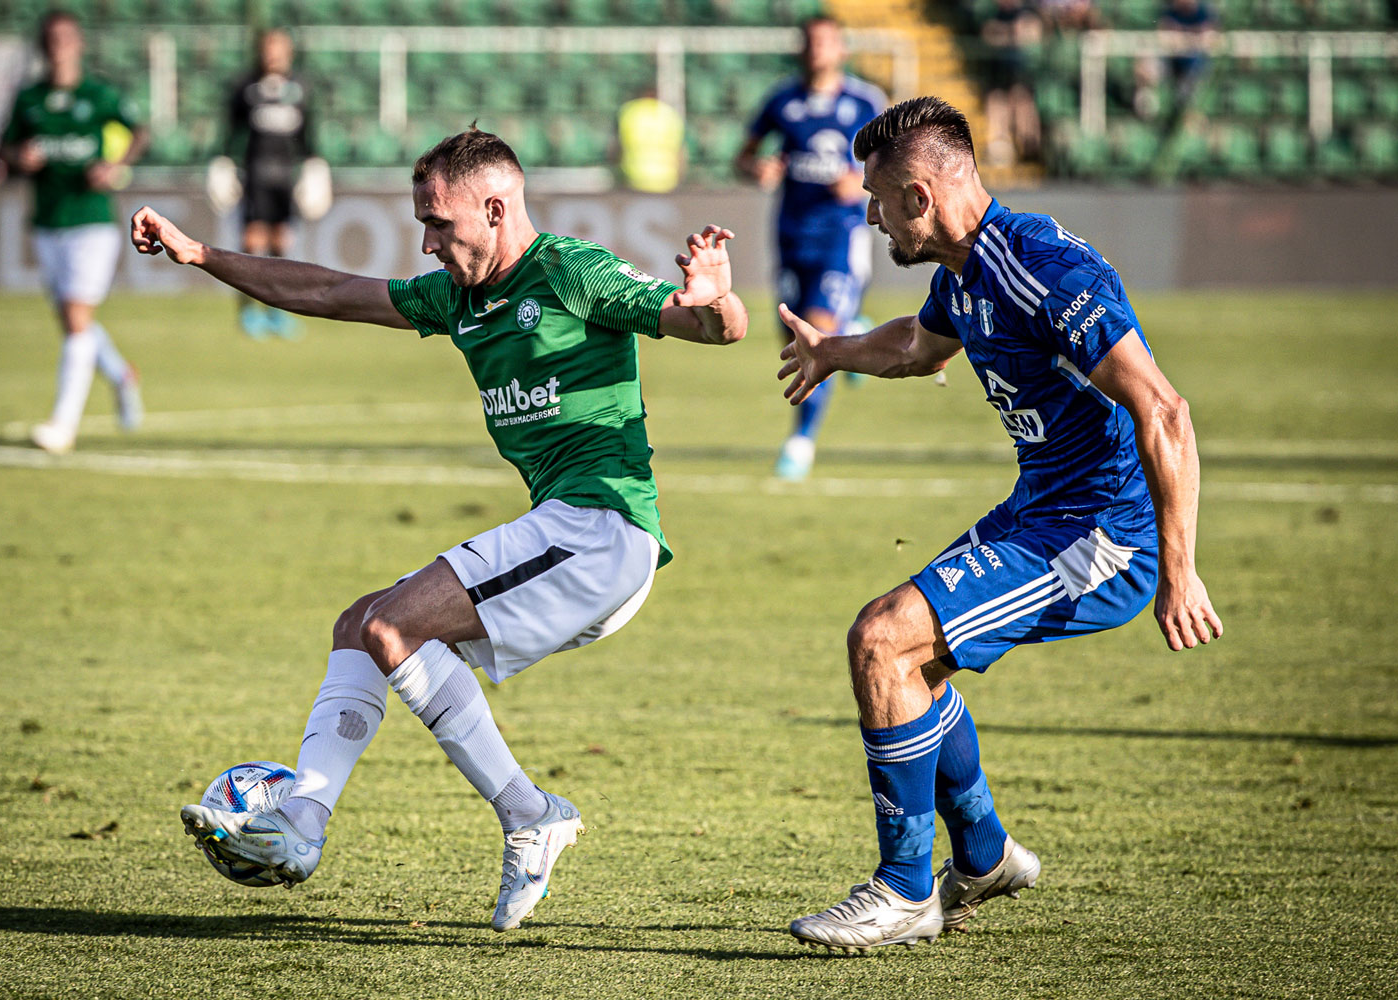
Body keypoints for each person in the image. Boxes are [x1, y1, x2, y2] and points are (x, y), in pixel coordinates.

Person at [131, 128, 748, 931]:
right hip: (565, 535)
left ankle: (527, 813)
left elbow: (711, 327)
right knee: (360, 623)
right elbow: (325, 291)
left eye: (438, 223)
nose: (426, 242)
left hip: (602, 528)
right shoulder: (456, 297)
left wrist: (716, 296)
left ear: (494, 209)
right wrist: (201, 254)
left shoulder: (569, 270)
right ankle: (304, 822)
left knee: (393, 623)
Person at [777, 97, 1221, 953]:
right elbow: (918, 346)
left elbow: (1164, 410)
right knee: (913, 654)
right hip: (1040, 510)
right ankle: (981, 857)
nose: (868, 217)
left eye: (875, 199)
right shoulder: (966, 272)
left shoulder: (1039, 269)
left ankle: (905, 892)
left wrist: (1179, 567)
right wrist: (835, 351)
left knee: (883, 640)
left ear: (918, 195)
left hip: (1102, 533)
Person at [735, 15, 885, 480]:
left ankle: (801, 441)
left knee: (814, 339)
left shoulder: (865, 101)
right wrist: (757, 169)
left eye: (826, 42)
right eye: (810, 41)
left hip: (840, 235)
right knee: (792, 341)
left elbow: (896, 161)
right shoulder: (782, 100)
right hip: (791, 232)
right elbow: (743, 156)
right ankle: (855, 332)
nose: (817, 49)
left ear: (842, 50)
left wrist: (863, 185)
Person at [0, 9, 148, 455]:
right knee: (72, 319)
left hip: (91, 221)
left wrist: (115, 166)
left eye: (66, 37)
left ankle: (63, 426)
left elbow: (139, 131)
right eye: (51, 38)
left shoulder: (99, 95)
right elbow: (2, 149)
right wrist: (18, 158)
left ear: (79, 43)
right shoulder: (28, 99)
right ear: (43, 46)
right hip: (47, 220)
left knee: (76, 318)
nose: (59, 45)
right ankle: (121, 375)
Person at [215, 28, 321, 339]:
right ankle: (248, 311)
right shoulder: (246, 88)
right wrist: (222, 161)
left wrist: (315, 163)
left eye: (279, 48)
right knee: (252, 242)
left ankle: (277, 312)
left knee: (281, 243)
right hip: (256, 173)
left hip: (285, 176)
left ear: (289, 52)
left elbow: (308, 134)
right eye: (268, 48)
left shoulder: (299, 88)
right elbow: (231, 131)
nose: (272, 54)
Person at [978, 0, 1044, 165]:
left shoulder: (1028, 13)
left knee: (1022, 102)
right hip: (999, 73)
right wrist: (1012, 33)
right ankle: (1001, 146)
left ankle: (1029, 145)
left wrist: (1009, 34)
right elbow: (989, 34)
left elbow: (1032, 34)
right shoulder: (994, 15)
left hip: (1022, 74)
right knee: (997, 101)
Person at [617, 86, 685, 193]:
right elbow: (679, 151)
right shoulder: (669, 114)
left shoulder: (630, 112)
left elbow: (619, 147)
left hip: (636, 178)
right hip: (666, 179)